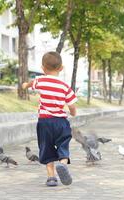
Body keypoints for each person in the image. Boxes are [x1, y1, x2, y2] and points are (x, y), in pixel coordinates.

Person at [22, 51, 77, 187]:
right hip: (61, 122)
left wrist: (25, 85)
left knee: (46, 148)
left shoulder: (40, 81)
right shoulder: (65, 87)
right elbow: (72, 106)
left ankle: (51, 178)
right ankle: (63, 164)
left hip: (45, 122)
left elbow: (30, 84)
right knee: (63, 144)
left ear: (42, 68)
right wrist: (73, 113)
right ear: (61, 68)